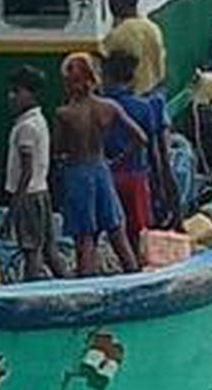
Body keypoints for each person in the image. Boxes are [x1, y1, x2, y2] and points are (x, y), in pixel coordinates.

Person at [55, 53, 147, 277]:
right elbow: (141, 138)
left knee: (84, 237)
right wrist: (118, 160)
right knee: (117, 231)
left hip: (77, 172)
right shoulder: (109, 107)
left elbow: (57, 149)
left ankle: (85, 284)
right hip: (101, 169)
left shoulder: (65, 114)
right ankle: (133, 276)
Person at [102, 0, 179, 227]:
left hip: (133, 106)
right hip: (157, 99)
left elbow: (114, 74)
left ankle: (144, 220)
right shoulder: (153, 28)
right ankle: (174, 214)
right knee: (163, 164)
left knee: (137, 168)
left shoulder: (118, 36)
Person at [2, 66, 69, 281]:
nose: (11, 96)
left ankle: (30, 291)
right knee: (49, 250)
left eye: (16, 91)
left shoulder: (26, 128)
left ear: (30, 93)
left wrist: (13, 210)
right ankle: (70, 284)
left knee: (31, 251)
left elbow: (26, 171)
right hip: (41, 193)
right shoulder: (39, 121)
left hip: (28, 197)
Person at [102, 51, 159, 252]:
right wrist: (159, 178)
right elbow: (152, 148)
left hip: (106, 177)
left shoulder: (99, 107)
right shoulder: (143, 107)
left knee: (110, 232)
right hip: (135, 176)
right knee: (136, 232)